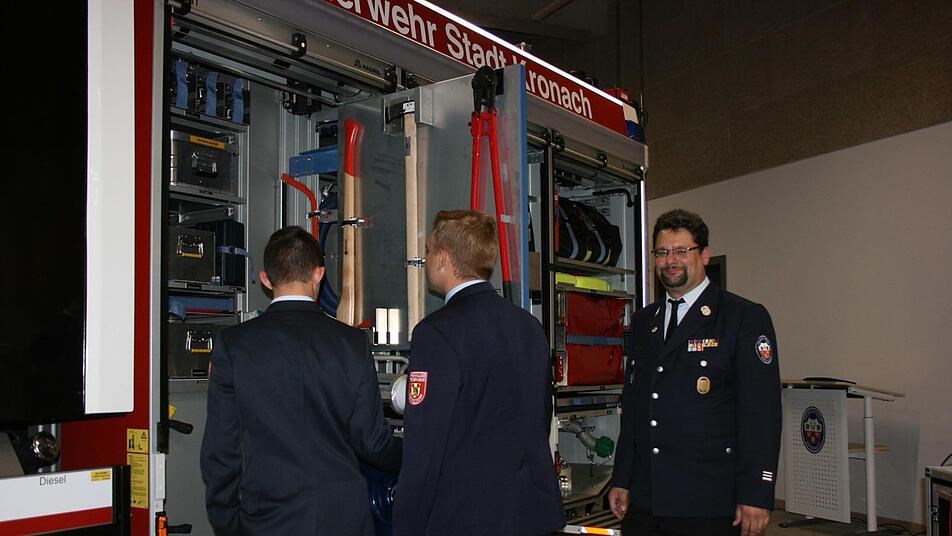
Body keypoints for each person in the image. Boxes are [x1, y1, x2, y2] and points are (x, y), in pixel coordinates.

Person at [201, 226, 401, 535]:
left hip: (268, 519)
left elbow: (220, 450)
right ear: (319, 274)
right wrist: (416, 456)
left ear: (266, 279)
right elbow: (372, 442)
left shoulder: (233, 345)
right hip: (344, 519)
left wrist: (227, 522)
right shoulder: (352, 343)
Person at [608, 209, 781, 536]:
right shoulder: (645, 321)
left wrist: (757, 493)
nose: (670, 260)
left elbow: (761, 413)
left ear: (704, 255)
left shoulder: (741, 317)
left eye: (681, 251)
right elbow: (635, 408)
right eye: (662, 252)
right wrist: (622, 478)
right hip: (647, 497)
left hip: (707, 500)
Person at [393, 210, 565, 536]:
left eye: (429, 251)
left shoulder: (436, 333)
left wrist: (407, 524)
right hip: (528, 515)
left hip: (465, 518)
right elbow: (540, 417)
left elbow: (425, 447)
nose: (426, 259)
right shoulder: (529, 326)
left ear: (444, 258)